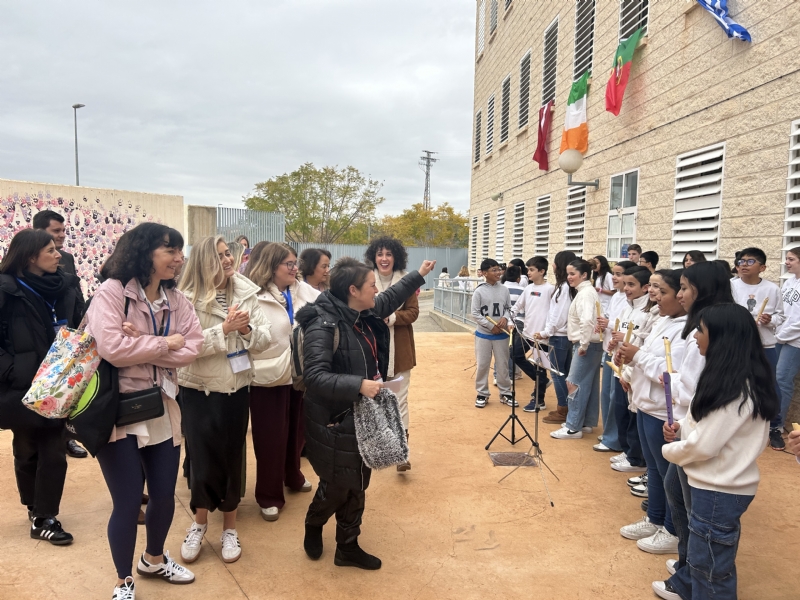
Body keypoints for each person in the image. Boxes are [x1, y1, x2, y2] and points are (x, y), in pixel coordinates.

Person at [85, 222, 204, 599]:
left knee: (165, 494)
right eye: (169, 250)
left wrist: (146, 342)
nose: (178, 258)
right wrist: (167, 342)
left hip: (163, 406)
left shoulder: (177, 299)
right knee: (126, 500)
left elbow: (194, 346)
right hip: (118, 411)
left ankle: (153, 559)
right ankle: (123, 581)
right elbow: (113, 348)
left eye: (179, 251)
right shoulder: (112, 292)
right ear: (143, 251)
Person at [296, 256, 435, 569]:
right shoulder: (323, 324)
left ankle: (347, 546)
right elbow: (315, 376)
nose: (377, 290)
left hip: (364, 415)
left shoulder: (362, 309)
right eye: (372, 285)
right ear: (353, 290)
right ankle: (314, 522)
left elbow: (390, 297)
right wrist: (358, 384)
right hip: (335, 419)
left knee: (358, 481)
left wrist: (419, 274)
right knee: (336, 485)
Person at [655, 303, 778, 600]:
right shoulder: (727, 376)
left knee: (710, 569)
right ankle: (689, 583)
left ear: (721, 337)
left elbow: (705, 445)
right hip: (714, 483)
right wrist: (682, 428)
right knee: (706, 561)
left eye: (701, 329)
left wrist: (670, 449)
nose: (695, 335)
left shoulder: (737, 388)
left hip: (719, 490)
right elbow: (705, 422)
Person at [177, 236, 271, 564]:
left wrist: (245, 333)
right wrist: (224, 330)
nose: (228, 260)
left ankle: (229, 528)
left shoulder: (246, 291)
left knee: (232, 459)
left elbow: (264, 338)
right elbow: (183, 348)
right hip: (198, 390)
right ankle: (200, 524)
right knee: (201, 461)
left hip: (236, 388)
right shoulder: (185, 298)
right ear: (204, 262)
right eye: (219, 256)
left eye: (228, 252)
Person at [0, 229, 85, 546]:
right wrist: (13, 369)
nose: (58, 253)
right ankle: (33, 506)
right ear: (30, 256)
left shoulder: (66, 285)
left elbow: (77, 321)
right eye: (50, 249)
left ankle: (45, 516)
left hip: (58, 381)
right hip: (21, 384)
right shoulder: (6, 290)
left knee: (53, 449)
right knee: (26, 449)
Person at [661, 261, 734, 581]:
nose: (680, 294)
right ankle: (688, 562)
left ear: (703, 291)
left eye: (686, 287)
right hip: (690, 424)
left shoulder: (710, 327)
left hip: (700, 432)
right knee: (676, 491)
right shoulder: (702, 323)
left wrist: (658, 374)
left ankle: (694, 572)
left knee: (695, 508)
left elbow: (690, 387)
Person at [245, 242, 320, 521]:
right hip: (267, 376)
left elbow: (328, 305)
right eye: (288, 264)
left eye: (295, 263)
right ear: (271, 266)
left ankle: (293, 475)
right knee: (270, 437)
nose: (294, 268)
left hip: (299, 372)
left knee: (297, 430)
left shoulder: (302, 290)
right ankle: (268, 494)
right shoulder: (253, 295)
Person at [616, 269, 687, 555]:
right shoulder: (664, 320)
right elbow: (644, 352)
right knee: (655, 469)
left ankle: (672, 529)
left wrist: (637, 357)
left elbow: (670, 371)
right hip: (646, 403)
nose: (656, 296)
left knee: (669, 472)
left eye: (664, 291)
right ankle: (655, 518)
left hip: (663, 409)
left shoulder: (687, 329)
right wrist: (631, 369)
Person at [33, 209, 88, 459]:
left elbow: (74, 295)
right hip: (36, 340)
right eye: (56, 231)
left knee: (67, 393)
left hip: (65, 338)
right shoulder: (22, 263)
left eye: (64, 231)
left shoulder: (66, 258)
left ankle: (68, 438)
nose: (62, 236)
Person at [365, 236, 420, 471]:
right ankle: (376, 449)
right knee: (373, 401)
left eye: (388, 254)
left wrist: (393, 318)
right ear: (373, 257)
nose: (384, 258)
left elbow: (414, 312)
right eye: (380, 254)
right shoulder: (365, 280)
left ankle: (401, 452)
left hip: (400, 352)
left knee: (400, 400)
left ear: (396, 257)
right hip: (371, 351)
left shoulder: (406, 281)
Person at [731, 247, 785, 450]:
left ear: (762, 267)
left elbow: (781, 317)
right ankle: (737, 424)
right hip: (737, 344)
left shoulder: (772, 289)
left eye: (750, 261)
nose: (743, 265)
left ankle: (775, 426)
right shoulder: (731, 286)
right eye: (741, 261)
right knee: (736, 384)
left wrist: (770, 320)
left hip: (765, 344)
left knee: (769, 385)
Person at [550, 259, 602, 439]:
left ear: (584, 275)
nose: (569, 277)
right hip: (589, 343)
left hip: (586, 344)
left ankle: (573, 426)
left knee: (574, 383)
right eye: (568, 273)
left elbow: (587, 320)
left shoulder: (586, 293)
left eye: (573, 274)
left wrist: (584, 344)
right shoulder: (585, 291)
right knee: (588, 383)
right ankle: (585, 421)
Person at [608, 266, 652, 472]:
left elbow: (639, 343)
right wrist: (613, 345)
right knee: (621, 410)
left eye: (631, 284)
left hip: (634, 369)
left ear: (645, 287)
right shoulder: (627, 308)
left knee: (633, 413)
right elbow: (621, 335)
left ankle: (636, 457)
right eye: (625, 284)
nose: (626, 288)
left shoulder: (647, 313)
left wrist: (623, 342)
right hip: (620, 366)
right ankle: (628, 450)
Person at [593, 260, 636, 453]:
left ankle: (615, 439)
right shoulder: (618, 297)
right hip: (611, 349)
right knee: (607, 395)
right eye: (615, 274)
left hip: (623, 353)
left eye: (620, 275)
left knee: (616, 398)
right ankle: (610, 433)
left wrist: (610, 325)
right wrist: (604, 324)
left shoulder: (630, 300)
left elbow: (628, 325)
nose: (615, 278)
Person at [538, 251, 578, 424]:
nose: (552, 266)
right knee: (565, 373)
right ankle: (568, 407)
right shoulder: (566, 287)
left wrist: (546, 332)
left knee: (557, 373)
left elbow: (558, 315)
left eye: (554, 262)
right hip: (564, 336)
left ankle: (563, 409)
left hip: (559, 336)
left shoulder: (564, 288)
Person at [510, 256, 554, 412]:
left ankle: (538, 400)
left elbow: (554, 314)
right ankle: (542, 380)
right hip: (527, 334)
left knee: (540, 366)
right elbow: (516, 307)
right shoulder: (528, 289)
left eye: (531, 270)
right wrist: (510, 319)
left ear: (542, 271)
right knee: (515, 355)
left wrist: (546, 332)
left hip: (542, 337)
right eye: (527, 269)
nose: (528, 272)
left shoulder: (550, 289)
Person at [471, 258, 513, 408]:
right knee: (483, 364)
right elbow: (475, 313)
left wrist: (504, 318)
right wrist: (490, 326)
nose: (498, 272)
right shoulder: (479, 291)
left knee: (502, 364)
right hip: (484, 334)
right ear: (484, 273)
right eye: (494, 270)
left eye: (499, 269)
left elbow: (509, 308)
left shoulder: (504, 289)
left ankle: (505, 392)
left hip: (501, 334)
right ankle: (482, 393)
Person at [773, 246, 800, 451]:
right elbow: (782, 311)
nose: (786, 262)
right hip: (780, 337)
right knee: (775, 378)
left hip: (795, 341)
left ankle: (778, 424)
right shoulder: (789, 283)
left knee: (782, 379)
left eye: (791, 259)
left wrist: (781, 335)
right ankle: (773, 419)